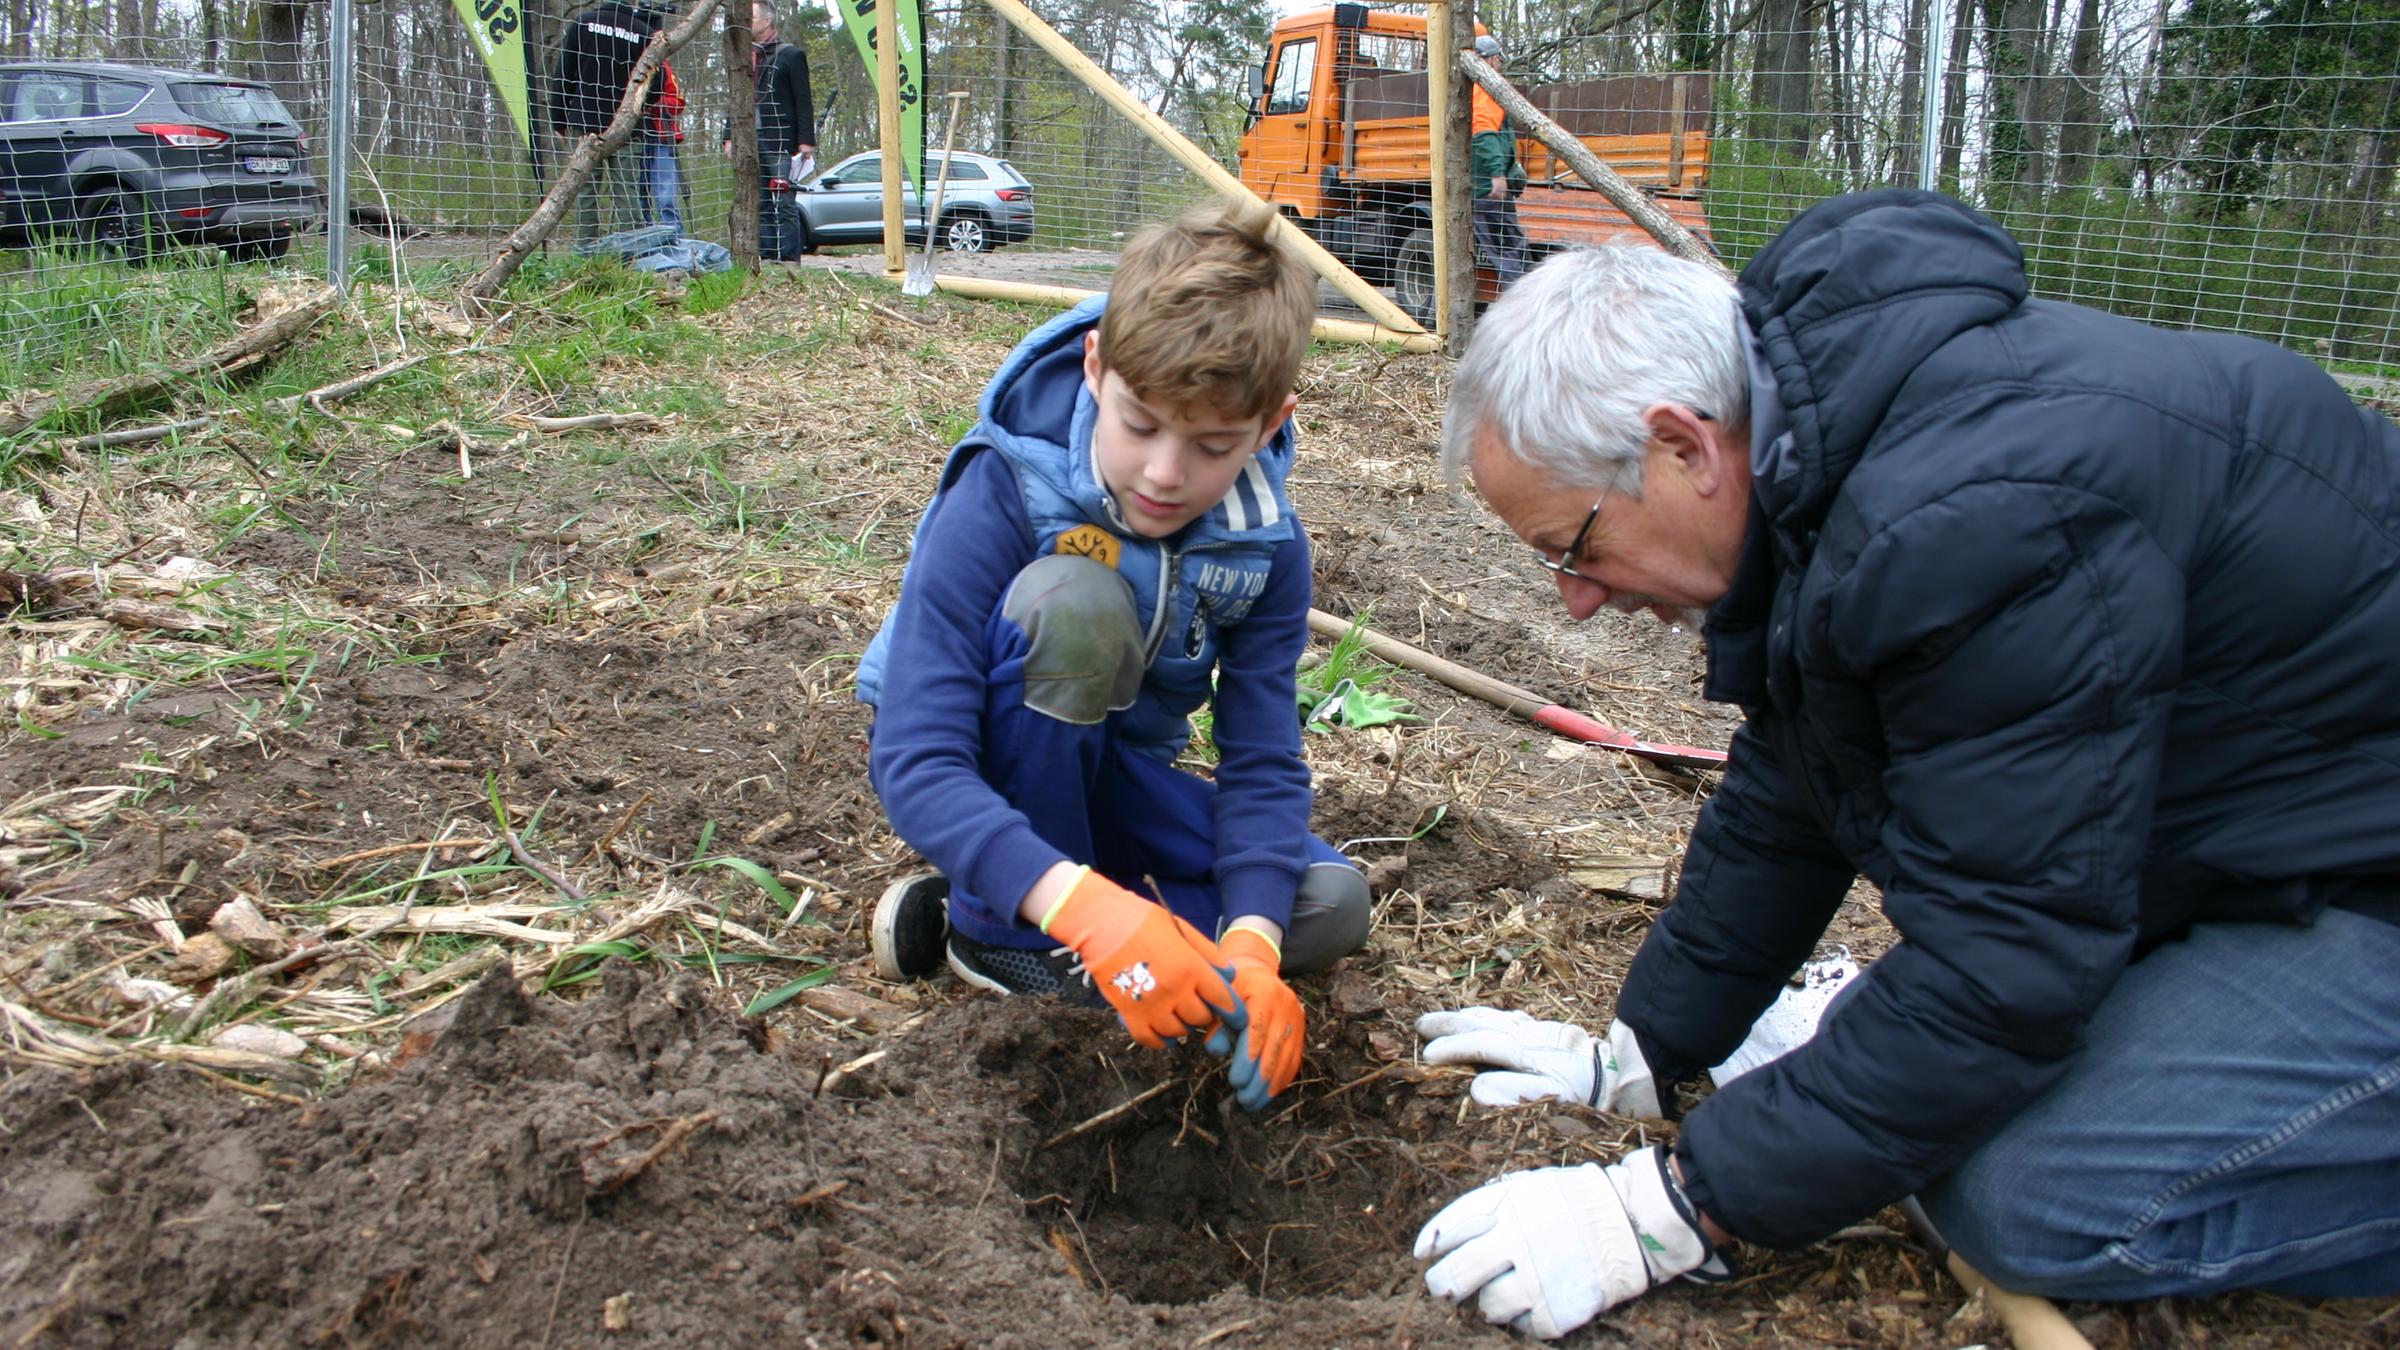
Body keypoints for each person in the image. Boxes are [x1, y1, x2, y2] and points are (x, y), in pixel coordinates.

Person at [1414, 188, 2400, 1338]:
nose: (1576, 601)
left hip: (2365, 874)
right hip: (2280, 830)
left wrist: (1674, 1209)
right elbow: (1794, 789)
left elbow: (2006, 964)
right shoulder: (1836, 449)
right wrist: (1644, 1051)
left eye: (1573, 547)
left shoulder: (1982, 517)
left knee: (2023, 1196)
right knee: (1905, 1095)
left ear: (1684, 447)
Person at [855, 199, 1374, 1111]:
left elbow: (1260, 762)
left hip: (1114, 776)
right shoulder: (1003, 488)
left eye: (1213, 445)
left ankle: (989, 897)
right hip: (996, 758)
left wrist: (1252, 951)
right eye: (1139, 424)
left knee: (1326, 903)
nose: (1165, 474)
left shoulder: (1268, 546)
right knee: (1078, 603)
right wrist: (1092, 914)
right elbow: (917, 758)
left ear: (1270, 424)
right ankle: (1006, 933)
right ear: (1096, 367)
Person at [549, 0, 657, 245]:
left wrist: (559, 119)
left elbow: (564, 74)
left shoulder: (582, 23)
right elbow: (657, 84)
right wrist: (638, 108)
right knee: (627, 191)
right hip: (628, 124)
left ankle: (585, 251)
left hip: (585, 121)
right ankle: (633, 252)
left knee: (585, 190)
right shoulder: (644, 32)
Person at [723, 0, 815, 260]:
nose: (746, 23)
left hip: (781, 140)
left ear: (766, 22)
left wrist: (806, 141)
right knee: (760, 202)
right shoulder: (744, 57)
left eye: (751, 18)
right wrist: (728, 136)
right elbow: (736, 98)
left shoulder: (791, 55)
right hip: (749, 139)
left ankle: (789, 259)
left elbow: (803, 100)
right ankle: (765, 256)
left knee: (784, 202)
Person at [1468, 34, 1529, 291]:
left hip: (1479, 188)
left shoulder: (1469, 89)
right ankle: (1522, 305)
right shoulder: (1485, 90)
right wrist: (1497, 174)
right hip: (1488, 190)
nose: (1499, 65)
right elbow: (1484, 133)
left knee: (1504, 248)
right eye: (1498, 60)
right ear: (1493, 60)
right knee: (1510, 251)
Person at [646, 56, 685, 234]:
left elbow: (678, 102)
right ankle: (644, 238)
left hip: (662, 137)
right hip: (633, 137)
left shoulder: (663, 65)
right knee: (637, 193)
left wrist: (654, 102)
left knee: (666, 194)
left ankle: (674, 238)